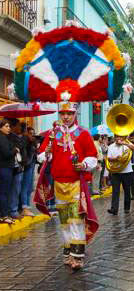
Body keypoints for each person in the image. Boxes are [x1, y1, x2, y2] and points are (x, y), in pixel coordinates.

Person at [37, 102, 99, 270]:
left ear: (74, 114)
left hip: (76, 184)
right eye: (63, 113)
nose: (65, 117)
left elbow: (93, 156)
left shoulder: (83, 134)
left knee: (76, 219)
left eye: (69, 113)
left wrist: (84, 165)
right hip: (58, 184)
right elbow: (42, 157)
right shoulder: (53, 134)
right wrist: (47, 153)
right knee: (64, 221)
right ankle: (68, 252)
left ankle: (78, 256)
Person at [107, 135, 134, 215]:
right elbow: (108, 158)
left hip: (127, 171)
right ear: (114, 137)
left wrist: (124, 143)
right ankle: (114, 209)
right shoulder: (111, 146)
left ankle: (127, 208)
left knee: (127, 190)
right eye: (117, 137)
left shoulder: (127, 144)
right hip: (115, 172)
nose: (118, 139)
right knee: (115, 191)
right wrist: (116, 159)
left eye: (120, 137)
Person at [6, 118, 26, 220]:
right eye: (18, 125)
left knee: (16, 188)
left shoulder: (16, 136)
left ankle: (13, 210)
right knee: (13, 189)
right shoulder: (9, 137)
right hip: (11, 166)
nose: (20, 127)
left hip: (17, 166)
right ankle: (12, 211)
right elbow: (18, 147)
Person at [0, 120, 16, 224]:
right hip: (4, 168)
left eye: (9, 126)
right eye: (6, 126)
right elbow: (7, 153)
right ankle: (4, 215)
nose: (9, 128)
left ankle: (5, 214)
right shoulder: (2, 138)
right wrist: (15, 150)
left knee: (5, 191)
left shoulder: (5, 137)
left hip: (6, 168)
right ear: (1, 127)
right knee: (4, 192)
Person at [20, 125, 37, 217]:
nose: (32, 135)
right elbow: (25, 154)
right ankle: (24, 207)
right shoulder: (24, 141)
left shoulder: (32, 142)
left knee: (30, 187)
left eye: (33, 134)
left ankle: (28, 206)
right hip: (27, 165)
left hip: (32, 165)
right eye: (30, 133)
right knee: (25, 186)